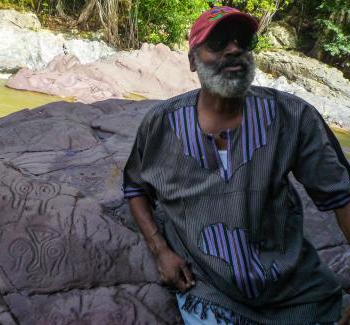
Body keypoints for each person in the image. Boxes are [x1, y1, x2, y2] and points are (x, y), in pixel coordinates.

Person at [123, 6, 350, 325]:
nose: (233, 49)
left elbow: (343, 196)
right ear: (192, 60)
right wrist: (160, 249)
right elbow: (135, 187)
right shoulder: (162, 124)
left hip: (295, 292)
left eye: (243, 41)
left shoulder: (293, 117)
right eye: (217, 42)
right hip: (208, 291)